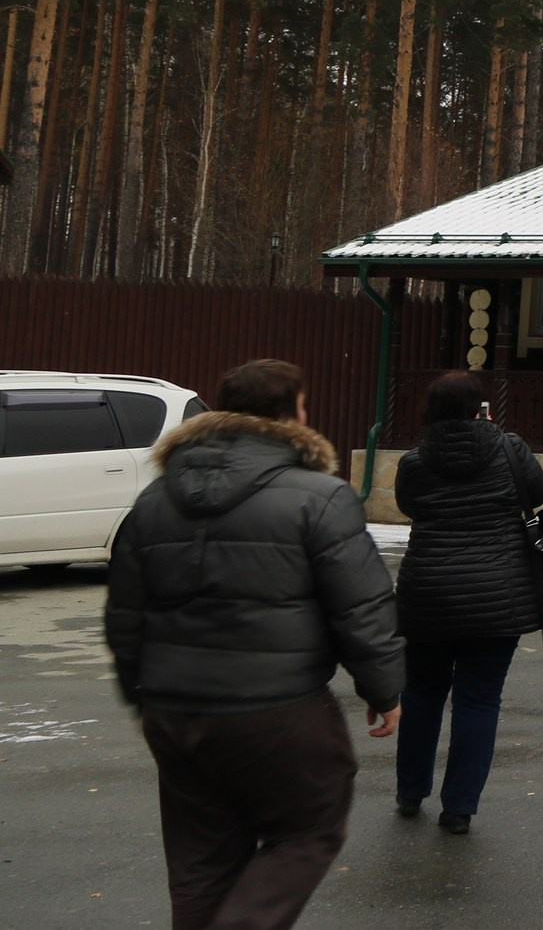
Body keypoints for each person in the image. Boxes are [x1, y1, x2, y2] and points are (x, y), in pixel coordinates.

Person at [105, 358, 405, 930]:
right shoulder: (319, 497)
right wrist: (384, 688)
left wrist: (141, 696)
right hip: (277, 711)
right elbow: (360, 607)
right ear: (292, 413)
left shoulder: (155, 500)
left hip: (176, 711)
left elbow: (125, 612)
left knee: (201, 861)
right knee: (309, 829)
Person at [392, 371, 543, 833]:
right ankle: (459, 809)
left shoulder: (415, 462)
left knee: (421, 693)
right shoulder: (509, 448)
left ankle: (410, 791)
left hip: (427, 596)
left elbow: (409, 506)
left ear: (430, 410)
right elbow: (539, 492)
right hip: (496, 597)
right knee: (479, 700)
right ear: (480, 408)